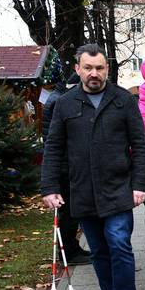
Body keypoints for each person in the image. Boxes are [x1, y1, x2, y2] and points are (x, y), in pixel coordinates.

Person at [41, 44, 145, 290]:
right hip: (82, 190)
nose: (94, 73)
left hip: (118, 188)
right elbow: (53, 147)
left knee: (119, 244)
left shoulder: (123, 100)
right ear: (78, 69)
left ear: (107, 70)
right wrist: (50, 187)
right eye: (88, 68)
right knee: (99, 249)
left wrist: (140, 184)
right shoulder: (65, 103)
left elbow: (139, 144)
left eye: (99, 68)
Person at [42, 74, 91, 265]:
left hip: (66, 164)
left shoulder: (56, 96)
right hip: (65, 166)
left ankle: (72, 248)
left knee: (71, 211)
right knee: (69, 211)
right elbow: (56, 141)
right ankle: (68, 253)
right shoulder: (60, 102)